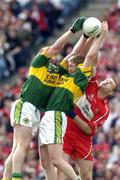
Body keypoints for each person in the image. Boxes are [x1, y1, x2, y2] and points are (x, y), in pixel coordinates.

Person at [2, 17, 86, 180]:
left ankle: (6, 177)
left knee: (18, 148)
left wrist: (85, 37)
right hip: (26, 104)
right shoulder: (39, 63)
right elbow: (56, 47)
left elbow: (74, 55)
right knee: (22, 145)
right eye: (48, 52)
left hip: (35, 111)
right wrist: (72, 31)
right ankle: (16, 177)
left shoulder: (57, 72)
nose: (53, 55)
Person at [38, 22, 103, 180]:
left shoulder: (79, 80)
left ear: (78, 68)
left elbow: (88, 57)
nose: (69, 64)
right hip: (47, 116)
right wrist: (85, 36)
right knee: (46, 163)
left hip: (57, 116)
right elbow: (75, 53)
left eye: (73, 64)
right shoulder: (62, 75)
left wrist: (99, 37)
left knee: (57, 161)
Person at [57, 22, 117, 180]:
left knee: (86, 176)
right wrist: (97, 38)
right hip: (67, 131)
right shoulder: (92, 85)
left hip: (83, 139)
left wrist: (73, 114)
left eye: (110, 83)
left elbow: (90, 131)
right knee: (60, 172)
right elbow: (92, 60)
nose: (105, 82)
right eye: (107, 80)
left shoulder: (104, 110)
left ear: (111, 92)